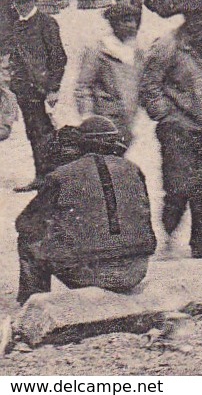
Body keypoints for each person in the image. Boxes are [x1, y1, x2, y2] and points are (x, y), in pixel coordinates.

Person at [15, 116, 156, 303]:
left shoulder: (61, 175)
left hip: (88, 275)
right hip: (135, 271)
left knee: (29, 237)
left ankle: (34, 303)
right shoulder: (132, 169)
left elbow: (24, 222)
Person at [139, 0, 202, 259]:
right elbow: (149, 84)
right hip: (178, 127)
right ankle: (168, 231)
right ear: (186, 18)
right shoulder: (168, 45)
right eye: (195, 17)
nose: (201, 22)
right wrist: (164, 114)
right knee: (178, 185)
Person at [2, 0, 67, 188]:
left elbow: (59, 58)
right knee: (33, 132)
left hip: (43, 87)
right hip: (23, 89)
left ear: (34, 0)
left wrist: (54, 88)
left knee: (46, 133)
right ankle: (42, 176)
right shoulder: (13, 25)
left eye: (25, 2)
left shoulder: (46, 23)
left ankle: (54, 177)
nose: (21, 7)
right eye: (18, 3)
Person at [65, 2, 144, 144]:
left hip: (128, 120)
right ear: (114, 24)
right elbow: (83, 86)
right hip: (105, 120)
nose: (131, 25)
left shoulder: (137, 52)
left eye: (134, 20)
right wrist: (88, 116)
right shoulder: (99, 51)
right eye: (125, 21)